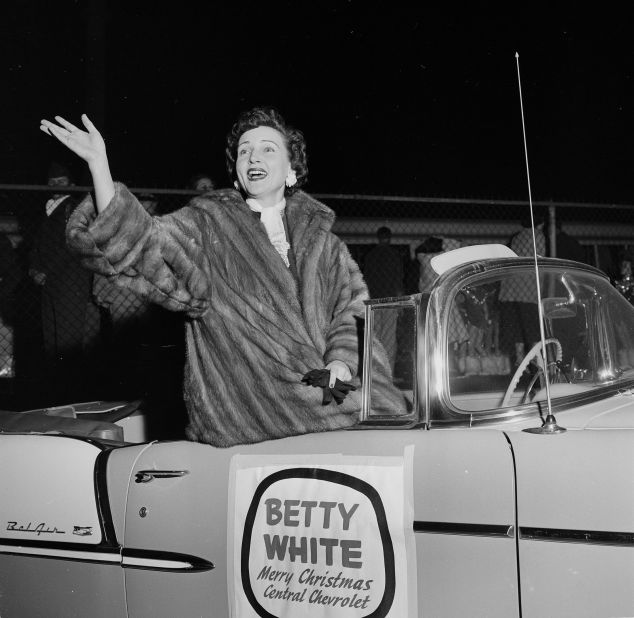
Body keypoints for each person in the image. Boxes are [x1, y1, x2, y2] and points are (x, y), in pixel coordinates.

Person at [40, 107, 404, 447]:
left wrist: (341, 361)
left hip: (327, 392)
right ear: (237, 172)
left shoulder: (326, 245)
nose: (253, 157)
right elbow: (144, 243)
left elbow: (352, 313)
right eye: (244, 151)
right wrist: (99, 166)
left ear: (292, 170)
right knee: (379, 420)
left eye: (267, 149)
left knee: (392, 411)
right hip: (253, 407)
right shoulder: (209, 225)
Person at [28, 161, 99, 401]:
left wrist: (44, 270)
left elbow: (70, 244)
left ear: (71, 184)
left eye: (61, 182)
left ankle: (72, 395)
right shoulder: (46, 208)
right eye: (52, 182)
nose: (56, 185)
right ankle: (57, 394)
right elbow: (36, 243)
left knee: (68, 342)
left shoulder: (74, 207)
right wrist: (33, 268)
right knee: (52, 341)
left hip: (70, 281)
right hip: (49, 282)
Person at [362, 226, 403, 371]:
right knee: (389, 337)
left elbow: (365, 279)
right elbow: (398, 281)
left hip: (373, 300)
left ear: (378, 237)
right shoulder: (394, 255)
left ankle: (374, 368)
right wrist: (399, 302)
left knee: (375, 335)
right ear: (389, 237)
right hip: (390, 300)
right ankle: (388, 370)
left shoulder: (370, 255)